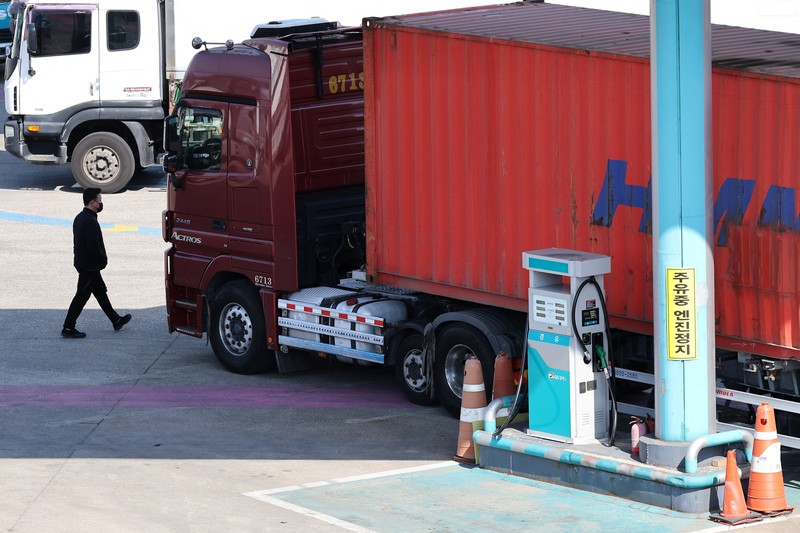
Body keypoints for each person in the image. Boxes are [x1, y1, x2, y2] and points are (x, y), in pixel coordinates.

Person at [62, 188, 132, 338]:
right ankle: (68, 327)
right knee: (81, 296)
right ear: (93, 202)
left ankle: (116, 320)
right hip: (89, 266)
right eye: (99, 201)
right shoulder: (90, 221)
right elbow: (93, 246)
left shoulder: (80, 217)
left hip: (84, 263)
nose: (101, 203)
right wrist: (102, 259)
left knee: (100, 292)